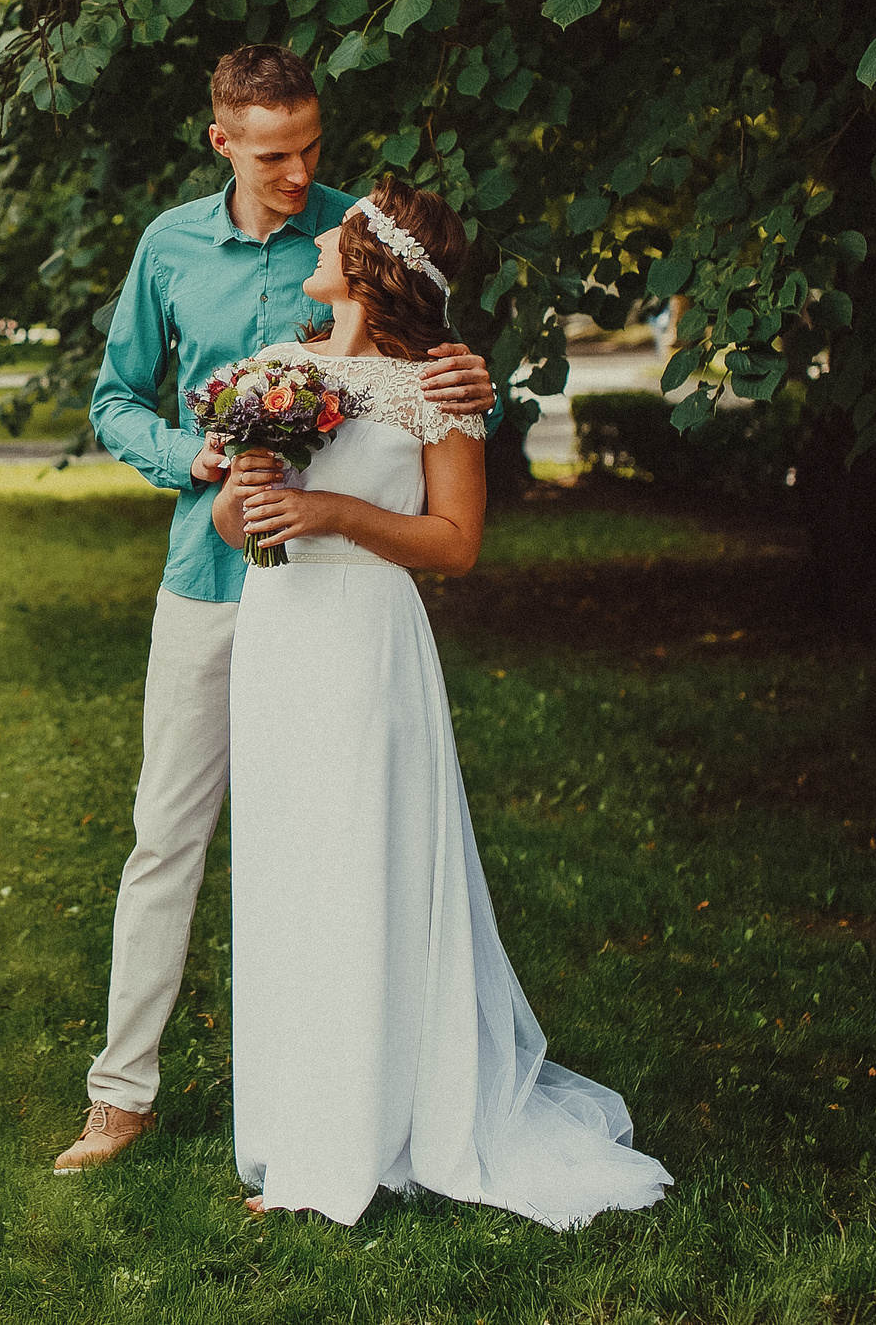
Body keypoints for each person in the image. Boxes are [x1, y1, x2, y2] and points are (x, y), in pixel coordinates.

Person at [57, 45, 498, 1173]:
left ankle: (354, 1089)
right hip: (212, 580)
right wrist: (188, 455)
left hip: (338, 610)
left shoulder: (361, 241)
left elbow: (423, 372)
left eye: (310, 147)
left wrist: (470, 382)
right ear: (222, 144)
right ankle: (121, 1096)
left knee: (331, 843)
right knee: (168, 833)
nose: (299, 173)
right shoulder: (168, 245)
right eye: (272, 154)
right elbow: (115, 397)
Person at [210, 175, 673, 1227]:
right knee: (290, 868)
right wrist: (249, 505)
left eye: (341, 229)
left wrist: (331, 511)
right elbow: (240, 528)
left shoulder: (439, 387)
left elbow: (454, 545)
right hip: (278, 640)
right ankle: (300, 1124)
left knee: (364, 864)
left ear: (373, 263)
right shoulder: (274, 373)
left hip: (369, 640)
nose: (320, 235)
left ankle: (368, 1131)